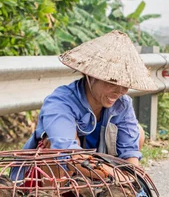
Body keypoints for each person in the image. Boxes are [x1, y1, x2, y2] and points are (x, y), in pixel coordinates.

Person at [19, 30, 157, 167]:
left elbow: (130, 153)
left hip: (100, 169)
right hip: (61, 172)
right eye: (112, 82)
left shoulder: (123, 103)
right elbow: (67, 151)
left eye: (125, 85)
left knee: (137, 132)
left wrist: (131, 178)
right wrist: (113, 176)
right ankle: (61, 189)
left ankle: (103, 186)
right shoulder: (60, 102)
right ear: (90, 76)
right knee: (53, 147)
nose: (119, 91)